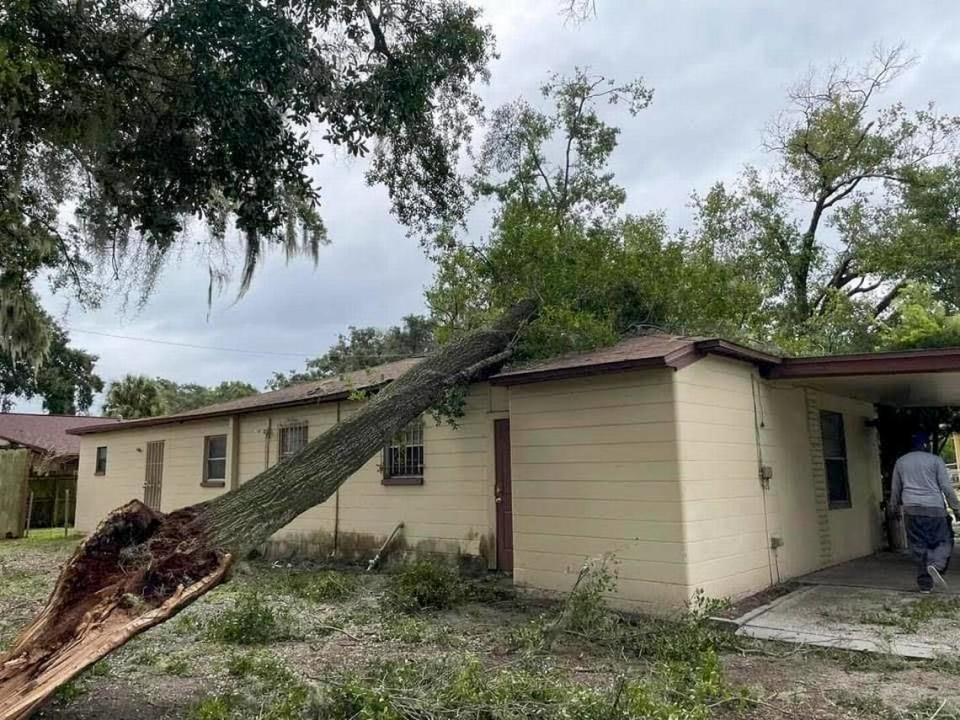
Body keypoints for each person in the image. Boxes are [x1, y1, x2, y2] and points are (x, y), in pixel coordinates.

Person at [890, 431, 959, 593]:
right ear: (926, 445)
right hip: (934, 509)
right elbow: (947, 488)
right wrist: (956, 507)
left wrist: (893, 509)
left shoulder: (901, 462)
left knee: (918, 545)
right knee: (944, 540)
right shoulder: (935, 460)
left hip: (911, 509)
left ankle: (925, 585)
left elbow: (895, 489)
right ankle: (936, 564)